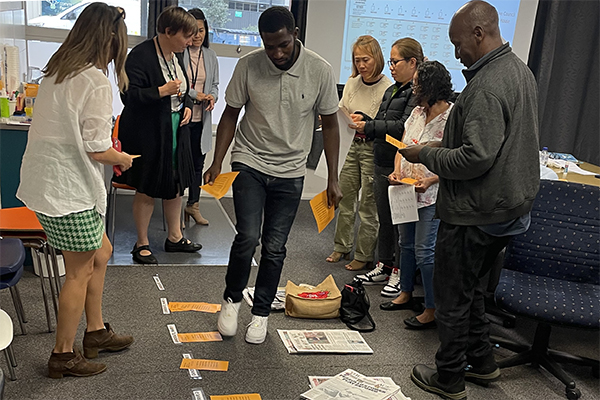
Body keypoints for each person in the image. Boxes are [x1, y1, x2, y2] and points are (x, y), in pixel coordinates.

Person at [401, 2, 540, 399]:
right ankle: (482, 363)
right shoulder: (520, 71)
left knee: (451, 294)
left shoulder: (487, 86)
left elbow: (475, 158)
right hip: (511, 209)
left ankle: (449, 380)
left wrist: (426, 153)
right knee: (473, 288)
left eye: (458, 44)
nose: (456, 52)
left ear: (479, 33)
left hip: (478, 211)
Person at [205, 6, 342, 345]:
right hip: (249, 160)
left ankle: (262, 312)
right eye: (269, 46)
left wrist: (333, 178)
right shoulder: (248, 65)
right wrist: (217, 160)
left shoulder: (319, 70)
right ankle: (232, 300)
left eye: (282, 44)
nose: (276, 53)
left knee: (276, 246)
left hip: (291, 169)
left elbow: (331, 125)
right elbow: (230, 115)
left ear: (295, 34)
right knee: (247, 236)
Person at [17, 2, 135, 378]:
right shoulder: (95, 80)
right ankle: (63, 355)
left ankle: (96, 331)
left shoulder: (58, 69)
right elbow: (97, 147)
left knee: (102, 252)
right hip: (68, 191)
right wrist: (124, 157)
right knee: (78, 272)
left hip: (48, 184)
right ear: (111, 39)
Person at [114, 6, 201, 264]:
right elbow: (128, 96)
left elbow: (183, 90)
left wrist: (186, 106)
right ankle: (142, 243)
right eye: (186, 36)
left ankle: (175, 236)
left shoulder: (176, 54)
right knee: (148, 187)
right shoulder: (140, 55)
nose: (190, 41)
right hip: (148, 133)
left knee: (176, 183)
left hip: (176, 130)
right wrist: (161, 91)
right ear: (168, 31)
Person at [382, 61, 454, 331]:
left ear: (432, 87)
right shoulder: (415, 114)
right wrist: (395, 172)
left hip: (431, 194)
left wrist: (432, 178)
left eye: (417, 85)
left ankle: (432, 308)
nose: (413, 90)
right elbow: (402, 145)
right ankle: (405, 293)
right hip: (405, 191)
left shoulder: (452, 118)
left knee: (425, 252)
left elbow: (455, 160)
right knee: (406, 245)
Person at [352, 38, 423, 297]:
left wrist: (369, 127)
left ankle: (399, 272)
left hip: (401, 167)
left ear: (413, 62)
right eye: (390, 62)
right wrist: (367, 120)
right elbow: (386, 123)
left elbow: (402, 128)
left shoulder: (417, 92)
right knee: (384, 219)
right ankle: (384, 265)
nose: (390, 66)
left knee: (399, 224)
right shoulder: (393, 89)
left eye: (395, 61)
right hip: (381, 160)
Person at [326, 35, 391, 271]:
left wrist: (366, 120)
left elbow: (386, 124)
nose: (361, 65)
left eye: (366, 60)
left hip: (372, 148)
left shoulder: (387, 88)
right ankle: (341, 246)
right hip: (351, 146)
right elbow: (342, 108)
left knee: (368, 205)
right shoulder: (352, 82)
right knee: (345, 199)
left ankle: (364, 254)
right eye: (357, 60)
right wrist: (344, 116)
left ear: (377, 59)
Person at [182, 8, 219, 226]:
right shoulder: (180, 52)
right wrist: (197, 95)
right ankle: (175, 209)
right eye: (194, 31)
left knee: (198, 164)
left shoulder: (211, 55)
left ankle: (193, 205)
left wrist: (212, 96)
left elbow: (214, 84)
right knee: (180, 165)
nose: (198, 35)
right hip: (183, 117)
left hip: (202, 119)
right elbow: (178, 83)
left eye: (202, 30)